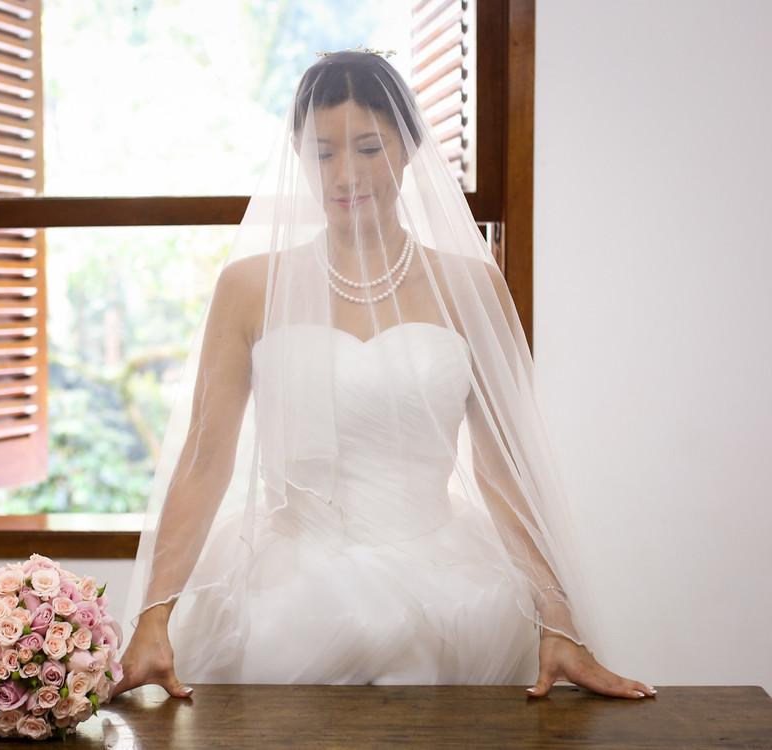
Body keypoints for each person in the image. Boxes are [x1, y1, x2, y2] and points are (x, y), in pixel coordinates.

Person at [114, 50, 653, 700]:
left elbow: (502, 469)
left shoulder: (470, 284)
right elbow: (204, 463)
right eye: (323, 153)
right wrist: (154, 615)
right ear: (298, 157)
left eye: (369, 147)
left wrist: (557, 616)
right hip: (285, 594)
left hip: (448, 590)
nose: (346, 174)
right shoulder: (249, 288)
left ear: (408, 148)